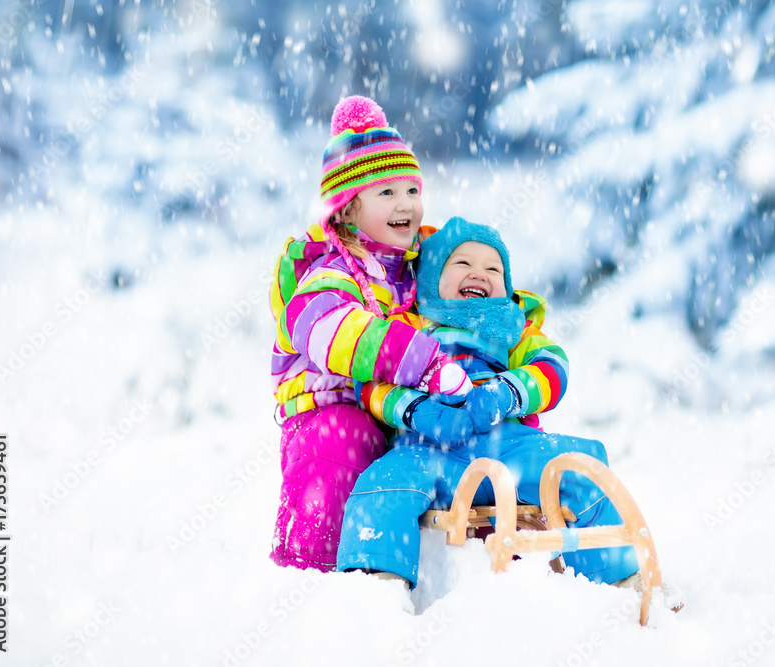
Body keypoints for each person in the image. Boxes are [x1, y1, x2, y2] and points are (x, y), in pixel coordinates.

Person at [335, 217, 642, 591]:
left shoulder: (516, 330)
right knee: (383, 482)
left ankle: (622, 579)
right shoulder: (410, 326)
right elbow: (373, 385)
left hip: (509, 446)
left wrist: (507, 392)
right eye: (462, 264)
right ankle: (376, 582)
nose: (479, 273)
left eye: (493, 268)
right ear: (431, 279)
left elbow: (553, 368)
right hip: (430, 449)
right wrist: (417, 411)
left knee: (578, 467)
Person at [268, 97, 471, 572]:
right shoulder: (326, 271)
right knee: (343, 442)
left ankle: (460, 562)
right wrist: (420, 359)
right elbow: (330, 327)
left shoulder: (423, 271)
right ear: (346, 210)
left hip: (397, 411)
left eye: (411, 189)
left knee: (458, 439)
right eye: (386, 193)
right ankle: (311, 568)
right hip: (329, 413)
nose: (406, 204)